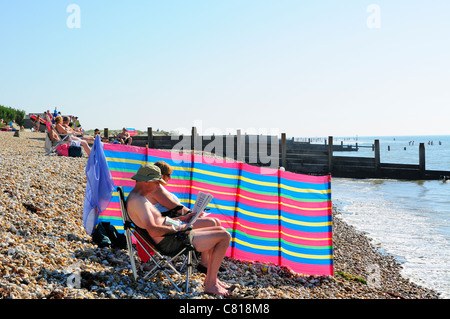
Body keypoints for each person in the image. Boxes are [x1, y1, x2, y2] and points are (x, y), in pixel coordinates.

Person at [126, 163, 232, 296]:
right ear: (147, 181)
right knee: (224, 237)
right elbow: (153, 230)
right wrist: (180, 229)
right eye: (157, 183)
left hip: (172, 236)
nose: (159, 186)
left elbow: (161, 221)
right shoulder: (138, 202)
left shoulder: (138, 198)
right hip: (171, 242)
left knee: (220, 230)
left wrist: (182, 219)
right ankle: (211, 284)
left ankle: (212, 279)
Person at [149, 161, 224, 274]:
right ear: (162, 175)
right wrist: (194, 212)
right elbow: (176, 207)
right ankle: (204, 264)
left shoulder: (156, 188)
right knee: (212, 223)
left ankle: (207, 262)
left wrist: (193, 213)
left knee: (215, 222)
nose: (170, 178)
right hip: (169, 226)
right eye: (169, 175)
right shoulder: (157, 190)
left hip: (171, 221)